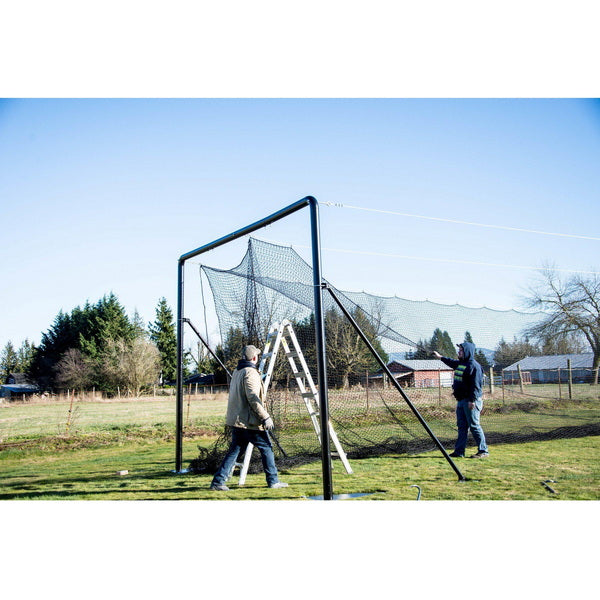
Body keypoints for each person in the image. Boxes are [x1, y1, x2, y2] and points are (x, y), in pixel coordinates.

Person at [210, 344, 289, 491]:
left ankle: (218, 482)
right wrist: (265, 417)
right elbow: (253, 397)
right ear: (254, 357)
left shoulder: (237, 371)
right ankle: (273, 481)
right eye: (257, 355)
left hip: (237, 420)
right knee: (267, 448)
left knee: (235, 450)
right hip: (249, 422)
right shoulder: (250, 373)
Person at [432, 341, 489, 458]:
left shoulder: (474, 366)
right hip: (461, 400)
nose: (459, 352)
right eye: (459, 350)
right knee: (462, 427)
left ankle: (483, 451)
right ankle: (459, 452)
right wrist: (440, 357)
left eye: (461, 350)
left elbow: (476, 386)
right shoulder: (461, 364)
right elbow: (451, 362)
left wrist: (472, 401)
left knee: (474, 426)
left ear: (468, 351)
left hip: (471, 401)